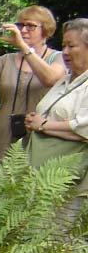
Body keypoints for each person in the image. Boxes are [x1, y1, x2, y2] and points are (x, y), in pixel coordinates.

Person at [0, 6, 65, 166]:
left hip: (39, 137)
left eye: (31, 26)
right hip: (4, 136)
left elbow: (50, 78)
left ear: (46, 30)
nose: (23, 30)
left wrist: (23, 46)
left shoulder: (58, 58)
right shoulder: (7, 60)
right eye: (20, 25)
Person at [24, 18, 88, 229]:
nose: (65, 52)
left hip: (66, 179)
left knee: (53, 238)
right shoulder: (66, 79)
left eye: (72, 46)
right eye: (63, 46)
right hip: (40, 174)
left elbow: (84, 128)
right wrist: (34, 120)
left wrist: (43, 125)